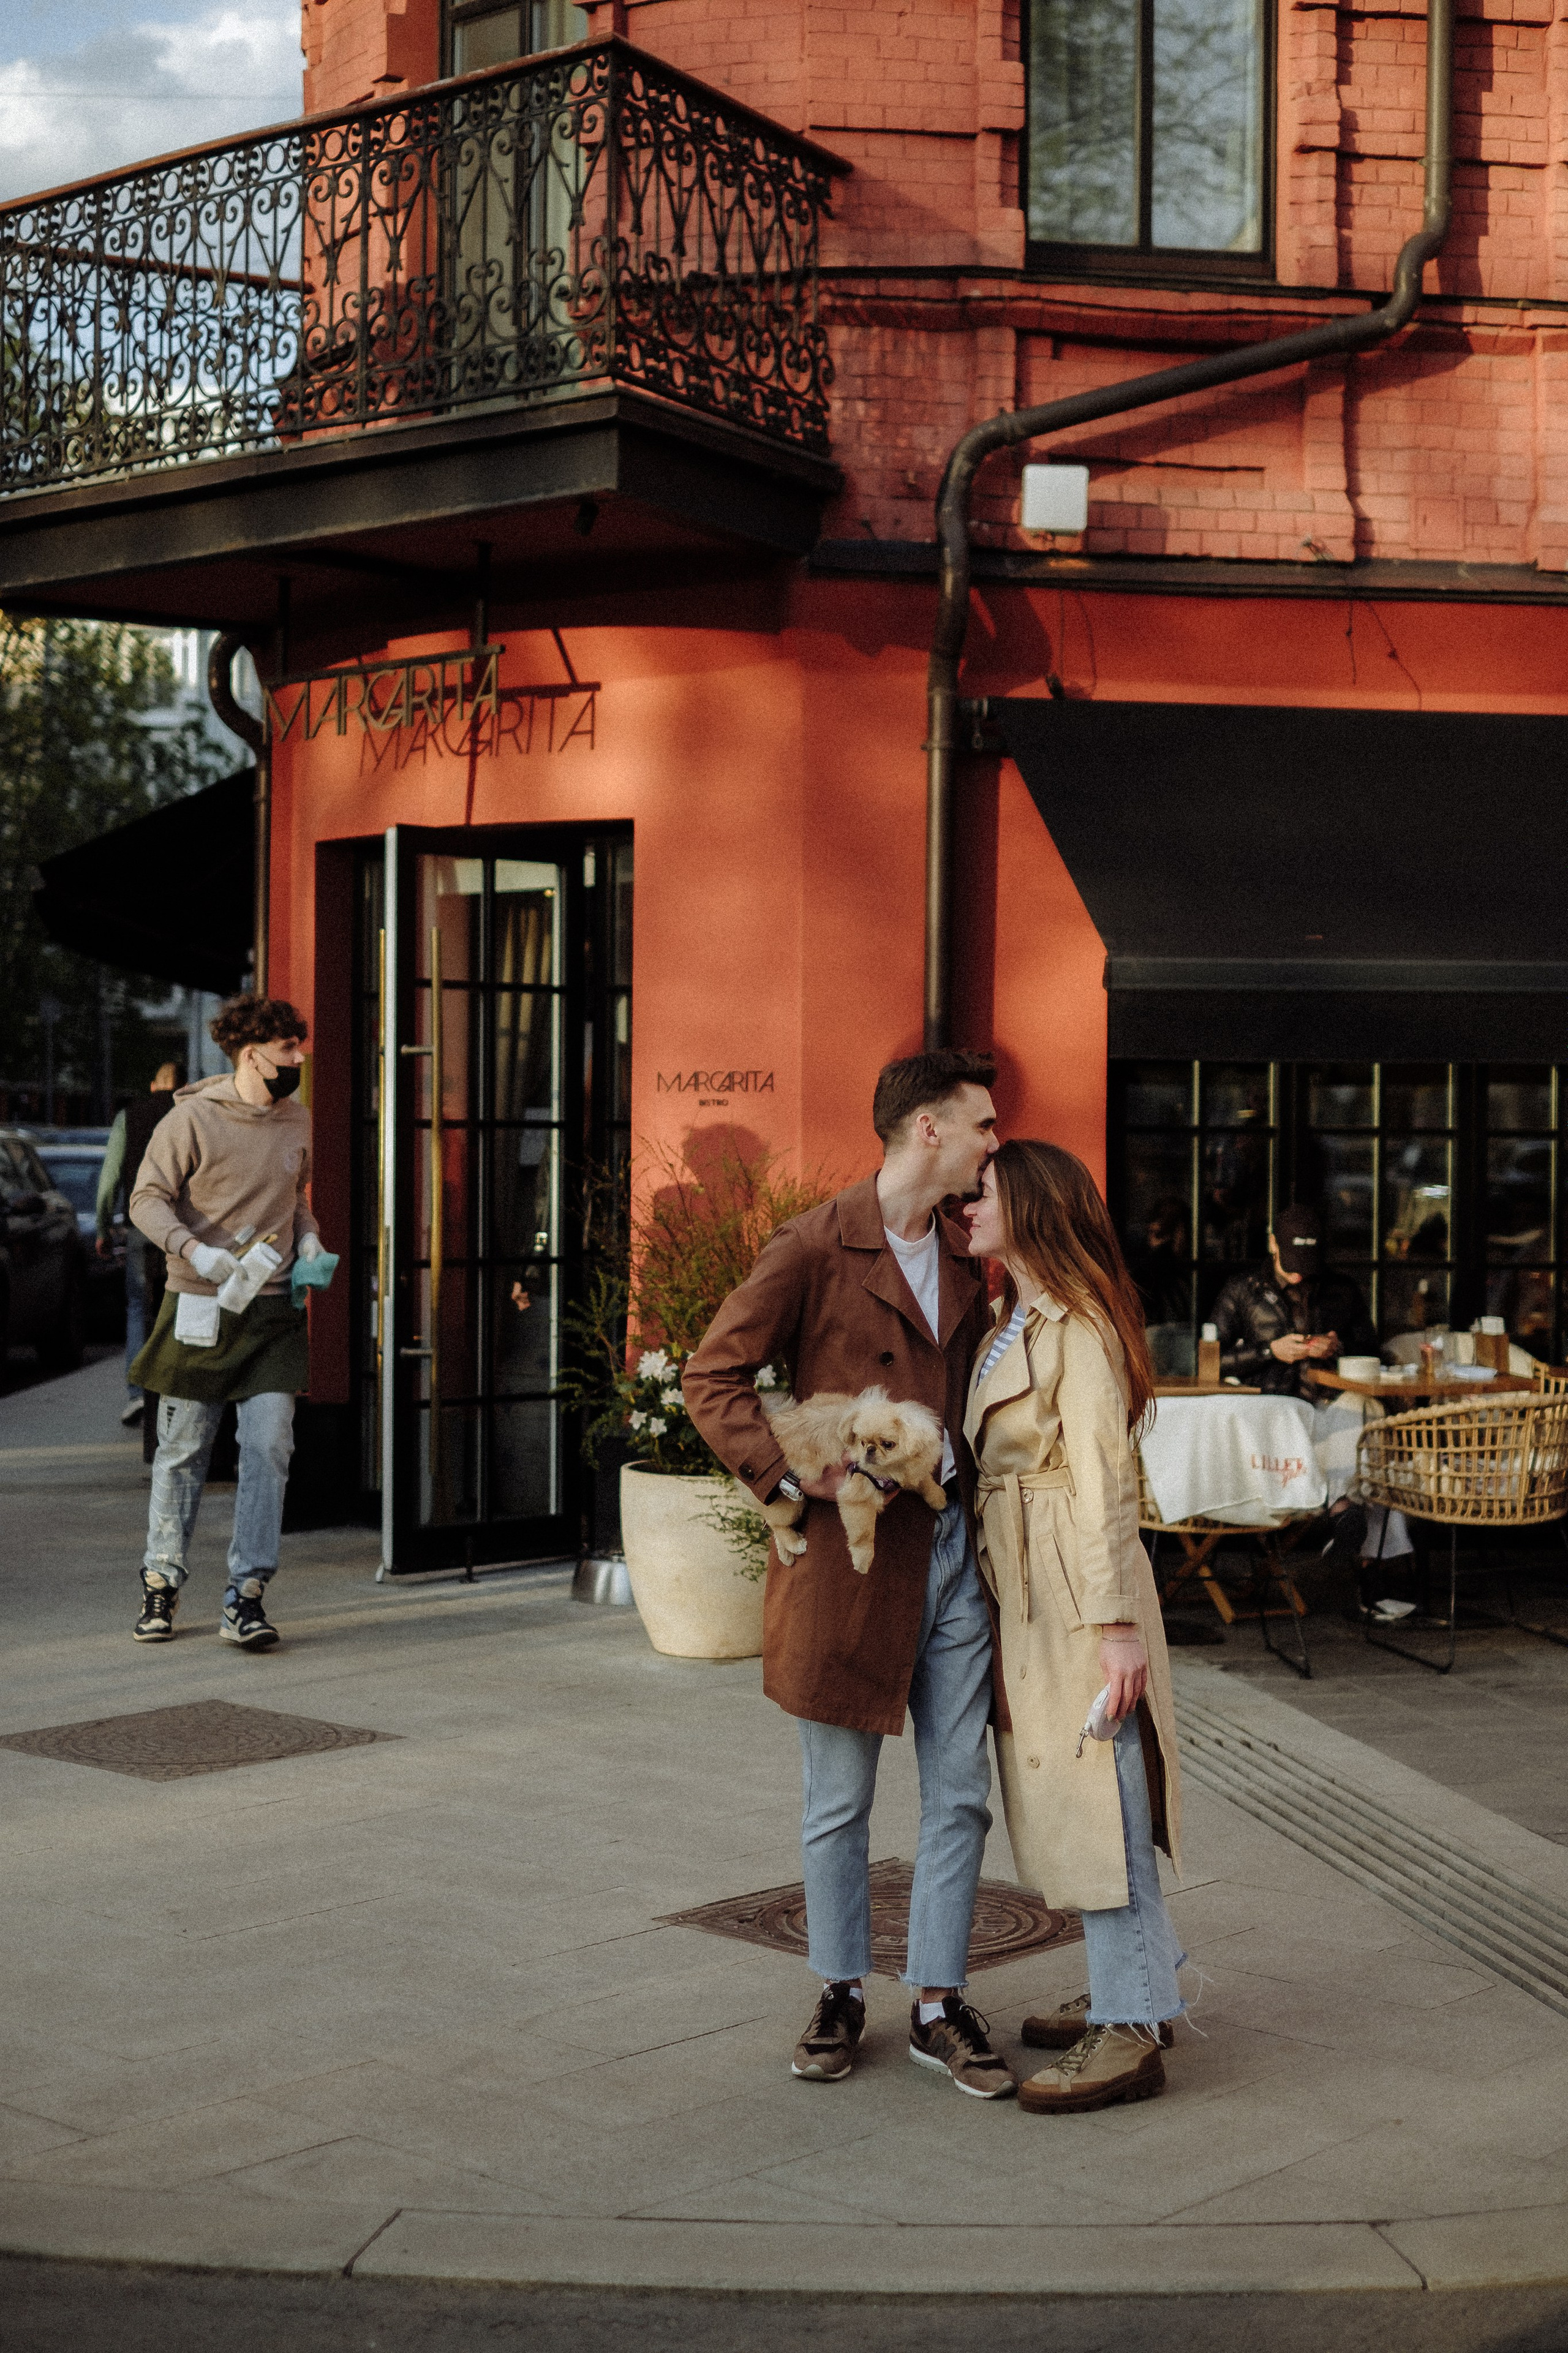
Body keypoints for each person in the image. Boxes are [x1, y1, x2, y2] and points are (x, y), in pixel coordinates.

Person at [684, 1049, 1016, 2099]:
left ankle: (936, 2001)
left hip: (951, 1554)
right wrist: (792, 1474)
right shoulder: (816, 1245)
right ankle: (837, 1988)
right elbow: (711, 1375)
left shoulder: (970, 1257)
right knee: (839, 1800)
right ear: (928, 1129)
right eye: (982, 1126)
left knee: (961, 1792)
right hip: (849, 1563)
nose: (993, 1144)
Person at [962, 1140, 1186, 2115]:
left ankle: (1130, 2026)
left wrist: (1116, 1624)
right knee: (1079, 1791)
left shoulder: (1077, 1326)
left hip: (1071, 1579)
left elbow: (1106, 1484)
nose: (966, 1202)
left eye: (984, 1191)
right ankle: (1138, 1988)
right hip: (1030, 1576)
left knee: (1101, 1794)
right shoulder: (1013, 1317)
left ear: (1032, 1206)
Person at [127, 995, 331, 1650]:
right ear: (253, 1054)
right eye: (288, 1050)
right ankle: (161, 1580)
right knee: (183, 1450)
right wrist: (195, 1252)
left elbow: (295, 1200)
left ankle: (246, 1595)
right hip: (199, 1305)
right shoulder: (190, 1120)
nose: (298, 1060)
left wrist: (308, 1243)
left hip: (271, 1310)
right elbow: (145, 1199)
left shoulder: (296, 1120)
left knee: (269, 1446)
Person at [96, 1060, 186, 1427]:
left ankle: (137, 1394)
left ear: (154, 1086)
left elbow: (111, 1177)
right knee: (181, 1303)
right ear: (184, 1085)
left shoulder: (128, 1117)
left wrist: (104, 1228)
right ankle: (176, 1388)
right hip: (184, 1231)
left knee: (137, 1305)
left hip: (141, 1227)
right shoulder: (191, 1113)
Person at [1210, 1203, 1376, 1399]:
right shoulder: (1243, 1289)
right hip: (1269, 1398)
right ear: (1273, 1244)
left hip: (1331, 1399)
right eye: (1291, 1262)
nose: (1298, 1272)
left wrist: (1337, 1347)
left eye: (1306, 1263)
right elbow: (1211, 1361)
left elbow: (1373, 1352)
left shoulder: (1342, 1290)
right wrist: (1270, 1351)